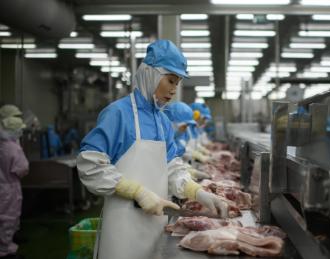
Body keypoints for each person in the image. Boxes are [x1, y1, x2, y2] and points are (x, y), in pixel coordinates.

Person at [76, 39, 227, 259]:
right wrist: (135, 191)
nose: (174, 90)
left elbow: (172, 167)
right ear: (152, 75)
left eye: (177, 83)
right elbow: (90, 164)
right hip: (122, 230)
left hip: (156, 224)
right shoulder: (118, 114)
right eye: (170, 81)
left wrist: (197, 192)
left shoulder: (163, 122)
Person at [0, 105, 29, 259]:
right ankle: (6, 251)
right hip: (9, 189)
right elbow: (22, 169)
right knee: (9, 218)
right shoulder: (13, 148)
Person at [164, 102, 211, 180]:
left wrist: (188, 170)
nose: (186, 129)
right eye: (204, 118)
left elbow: (177, 161)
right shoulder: (163, 138)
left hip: (179, 177)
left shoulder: (179, 135)